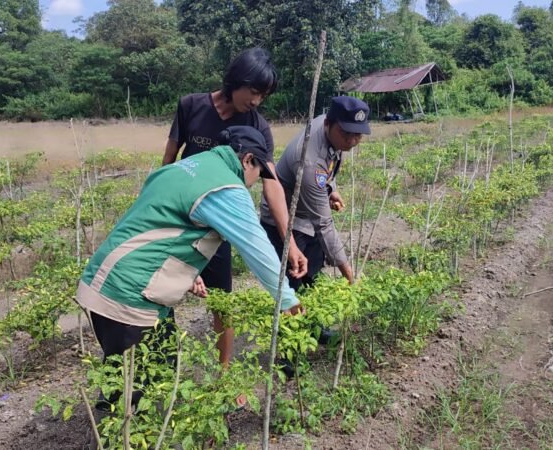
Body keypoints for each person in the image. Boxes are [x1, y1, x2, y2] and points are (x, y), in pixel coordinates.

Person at [78, 126, 304, 408]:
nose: (254, 182)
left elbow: (162, 221)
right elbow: (256, 247)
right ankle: (124, 422)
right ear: (248, 160)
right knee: (143, 384)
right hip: (129, 296)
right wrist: (287, 300)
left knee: (139, 369)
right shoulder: (226, 187)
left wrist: (187, 272)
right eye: (259, 173)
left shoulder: (186, 167)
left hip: (105, 281)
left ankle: (118, 411)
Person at [162, 47, 307, 367]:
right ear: (236, 80)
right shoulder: (191, 106)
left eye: (263, 96)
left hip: (218, 225)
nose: (256, 101)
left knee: (222, 303)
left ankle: (224, 373)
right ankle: (162, 367)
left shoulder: (257, 125)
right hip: (180, 219)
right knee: (162, 291)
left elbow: (272, 184)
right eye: (254, 91)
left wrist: (290, 243)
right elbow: (169, 158)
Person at [260, 96, 371, 290]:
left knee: (313, 279)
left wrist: (330, 188)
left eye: (358, 135)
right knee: (290, 286)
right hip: (286, 222)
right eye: (346, 133)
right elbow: (324, 223)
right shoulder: (308, 162)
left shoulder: (327, 126)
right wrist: (350, 277)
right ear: (328, 124)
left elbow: (327, 162)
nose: (352, 141)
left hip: (307, 218)